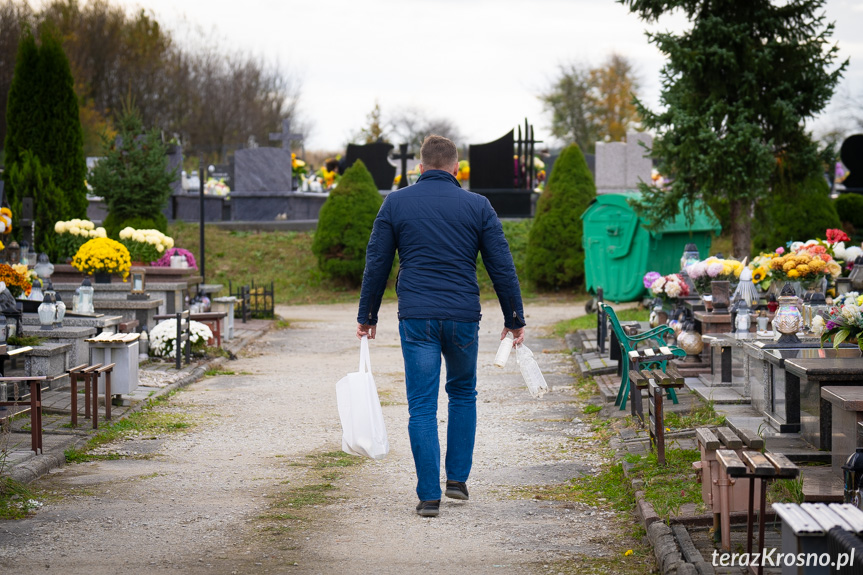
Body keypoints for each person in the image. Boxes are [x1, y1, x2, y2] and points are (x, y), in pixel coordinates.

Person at [356, 135, 526, 518]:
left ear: (420, 167)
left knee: (421, 405)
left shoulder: (396, 202)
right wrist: (514, 318)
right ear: (455, 168)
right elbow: (501, 265)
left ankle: (428, 495)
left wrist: (367, 316)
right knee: (463, 393)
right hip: (463, 316)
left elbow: (377, 262)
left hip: (416, 317)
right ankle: (457, 480)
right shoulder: (477, 205)